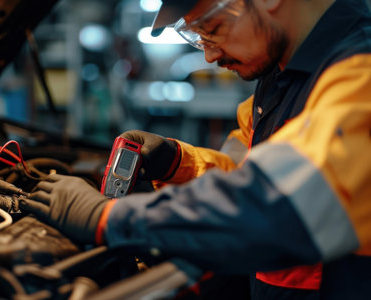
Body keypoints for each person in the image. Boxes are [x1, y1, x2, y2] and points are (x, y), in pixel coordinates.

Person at [21, 0, 371, 299]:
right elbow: (249, 172)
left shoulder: (361, 74)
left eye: (213, 27)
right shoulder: (281, 76)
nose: (208, 54)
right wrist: (178, 163)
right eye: (197, 37)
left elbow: (277, 208)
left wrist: (110, 219)